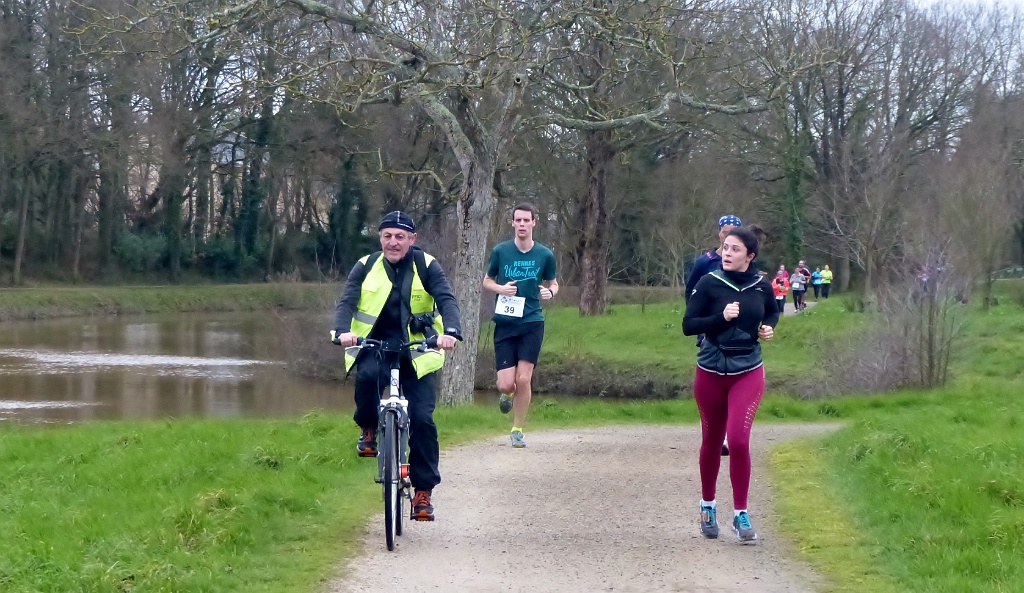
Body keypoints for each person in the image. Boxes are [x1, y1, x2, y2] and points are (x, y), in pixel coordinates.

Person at [333, 210, 463, 522]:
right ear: (380, 238)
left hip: (417, 350)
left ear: (412, 239)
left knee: (423, 419)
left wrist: (451, 332)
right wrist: (341, 332)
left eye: (400, 237)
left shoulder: (426, 265)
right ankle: (368, 429)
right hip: (375, 345)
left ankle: (422, 492)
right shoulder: (365, 266)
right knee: (367, 379)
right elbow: (347, 302)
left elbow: (446, 299)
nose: (393, 242)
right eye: (387, 236)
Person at [682, 226, 779, 543]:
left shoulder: (761, 285)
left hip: (747, 371)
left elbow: (773, 312)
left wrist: (768, 327)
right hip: (710, 370)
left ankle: (740, 514)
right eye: (725, 247)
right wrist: (720, 318)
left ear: (750, 256)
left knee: (737, 440)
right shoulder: (709, 283)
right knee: (712, 441)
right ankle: (707, 506)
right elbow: (688, 325)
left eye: (735, 249)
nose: (727, 253)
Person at [482, 202, 558, 449]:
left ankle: (517, 429)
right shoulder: (501, 251)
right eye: (518, 220)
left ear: (534, 222)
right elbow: (487, 280)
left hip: (532, 321)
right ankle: (506, 393)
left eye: (527, 220)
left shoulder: (544, 254)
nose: (522, 224)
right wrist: (501, 289)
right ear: (512, 223)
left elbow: (554, 283)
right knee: (507, 383)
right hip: (505, 323)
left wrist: (550, 292)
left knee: (524, 379)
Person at [685, 214, 743, 457]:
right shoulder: (705, 262)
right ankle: (715, 434)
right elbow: (691, 292)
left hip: (737, 332)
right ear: (719, 232)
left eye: (733, 232)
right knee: (714, 383)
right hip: (709, 329)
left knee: (734, 380)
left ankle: (729, 434)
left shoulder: (744, 262)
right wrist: (699, 321)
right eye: (725, 231)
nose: (727, 235)